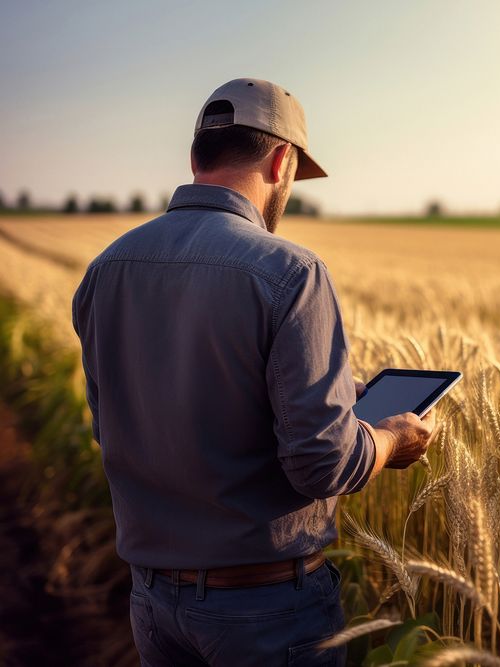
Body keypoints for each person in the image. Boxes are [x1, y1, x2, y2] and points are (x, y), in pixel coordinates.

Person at [71, 78, 437, 666]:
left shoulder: (105, 270)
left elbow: (119, 425)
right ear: (282, 159)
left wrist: (333, 401)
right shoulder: (289, 272)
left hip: (152, 603)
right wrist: (392, 437)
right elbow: (322, 463)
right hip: (265, 611)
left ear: (195, 158)